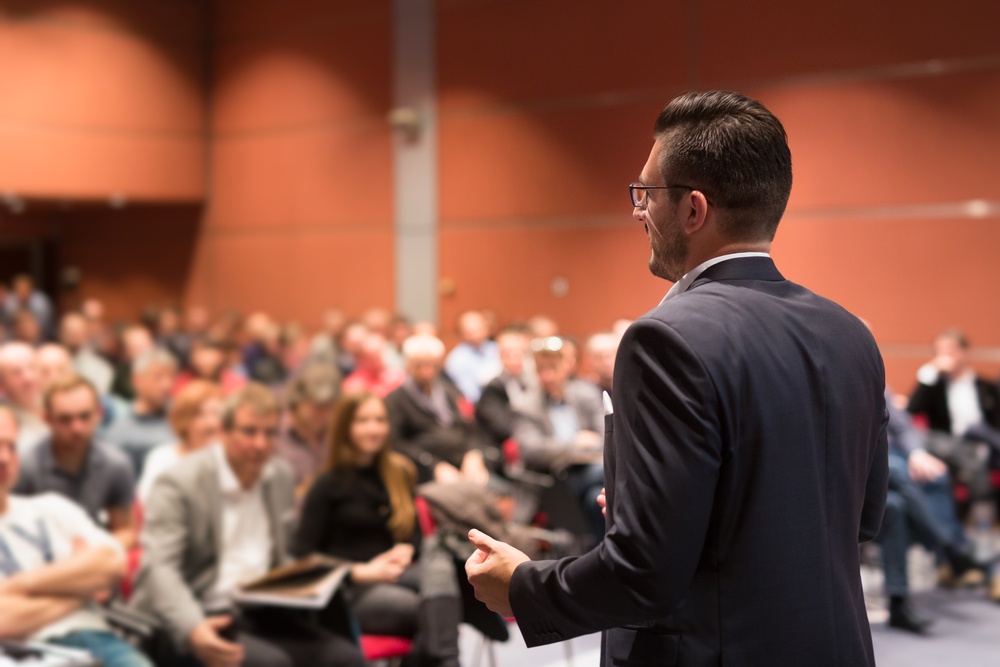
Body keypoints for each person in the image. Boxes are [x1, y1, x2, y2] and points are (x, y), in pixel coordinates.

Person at [466, 91, 888, 666]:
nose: (640, 210)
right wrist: (667, 505)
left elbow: (645, 575)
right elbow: (858, 515)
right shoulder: (849, 333)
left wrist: (520, 586)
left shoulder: (664, 339)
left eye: (647, 193)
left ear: (693, 210)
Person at [129, 383, 364, 667]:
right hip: (199, 612)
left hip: (260, 608)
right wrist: (193, 628)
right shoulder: (179, 482)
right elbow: (159, 568)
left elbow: (284, 555)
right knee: (272, 663)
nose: (260, 444)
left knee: (345, 658)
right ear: (224, 432)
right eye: (249, 431)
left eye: (270, 433)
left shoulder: (279, 475)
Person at [292, 392, 461, 667]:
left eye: (380, 420)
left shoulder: (398, 471)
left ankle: (446, 661)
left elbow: (416, 535)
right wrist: (362, 572)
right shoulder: (327, 484)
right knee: (436, 612)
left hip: (398, 573)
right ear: (346, 427)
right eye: (363, 421)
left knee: (439, 569)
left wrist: (404, 550)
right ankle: (449, 662)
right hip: (353, 589)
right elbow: (303, 558)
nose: (374, 428)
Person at [0, 405, 152, 667]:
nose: (4, 458)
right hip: (27, 652)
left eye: (11, 447)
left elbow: (113, 564)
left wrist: (18, 586)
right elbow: (3, 620)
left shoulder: (52, 506)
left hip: (99, 640)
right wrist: (81, 587)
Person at [14, 374, 137, 550]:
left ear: (99, 413)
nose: (77, 428)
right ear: (46, 418)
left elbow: (126, 531)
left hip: (95, 558)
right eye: (65, 419)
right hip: (40, 562)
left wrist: (96, 554)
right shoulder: (25, 467)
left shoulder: (116, 464)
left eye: (85, 416)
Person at [510, 336, 605, 544]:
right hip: (553, 479)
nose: (547, 376)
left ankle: (598, 557)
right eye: (541, 369)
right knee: (606, 472)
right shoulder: (525, 405)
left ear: (567, 366)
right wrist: (576, 445)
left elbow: (607, 436)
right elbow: (532, 450)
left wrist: (579, 449)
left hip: (589, 472)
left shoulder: (586, 394)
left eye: (553, 368)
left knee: (595, 498)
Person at [385, 334, 494, 485]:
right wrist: (432, 465)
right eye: (419, 365)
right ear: (408, 365)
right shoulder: (396, 399)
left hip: (464, 462)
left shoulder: (451, 390)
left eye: (432, 364)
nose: (426, 371)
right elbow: (397, 443)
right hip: (425, 470)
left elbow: (471, 427)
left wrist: (474, 454)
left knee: (498, 494)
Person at [136, 380, 222, 503]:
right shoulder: (162, 457)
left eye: (216, 414)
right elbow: (146, 503)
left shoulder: (229, 460)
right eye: (201, 415)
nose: (212, 423)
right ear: (183, 419)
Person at [103, 348, 178, 475]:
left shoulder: (183, 418)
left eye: (171, 377)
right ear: (137, 380)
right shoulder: (119, 432)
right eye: (158, 377)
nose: (167, 385)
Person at [275, 364, 340, 496]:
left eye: (330, 406)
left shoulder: (336, 434)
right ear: (297, 401)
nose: (325, 413)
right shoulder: (274, 435)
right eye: (318, 405)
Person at [0, 341, 49, 453]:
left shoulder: (55, 405)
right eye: (16, 373)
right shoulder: (3, 422)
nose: (28, 378)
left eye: (32, 367)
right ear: (1, 384)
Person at [443, 310, 501, 404]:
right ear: (461, 333)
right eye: (470, 332)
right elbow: (469, 396)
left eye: (479, 330)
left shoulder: (497, 349)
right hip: (480, 407)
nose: (476, 335)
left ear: (486, 329)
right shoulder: (456, 360)